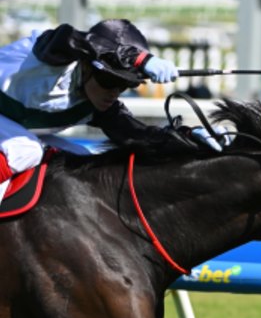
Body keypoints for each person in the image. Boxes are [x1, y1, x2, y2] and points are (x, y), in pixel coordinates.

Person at [0, 19, 226, 202]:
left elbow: (140, 135)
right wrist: (138, 59)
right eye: (109, 81)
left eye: (125, 86)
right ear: (87, 64)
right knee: (25, 150)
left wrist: (190, 138)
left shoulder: (99, 106)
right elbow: (73, 37)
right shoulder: (55, 53)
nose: (114, 93)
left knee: (86, 161)